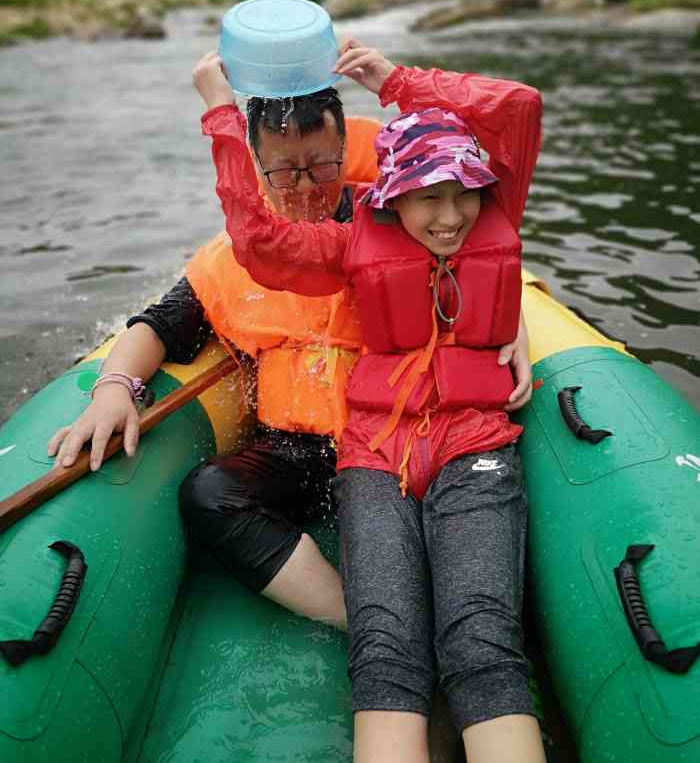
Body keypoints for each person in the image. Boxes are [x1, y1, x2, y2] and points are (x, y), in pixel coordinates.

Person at [47, 43, 534, 641]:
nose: (306, 187)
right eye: (284, 171)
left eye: (323, 166)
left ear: (343, 153)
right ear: (256, 162)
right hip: (301, 452)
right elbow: (159, 325)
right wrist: (114, 389)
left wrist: (517, 327)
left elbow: (479, 272)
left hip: (400, 436)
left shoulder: (395, 222)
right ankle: (363, 622)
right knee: (210, 493)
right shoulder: (234, 259)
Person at [194, 38, 545, 763]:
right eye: (428, 195)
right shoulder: (355, 242)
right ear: (392, 195)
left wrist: (398, 82)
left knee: (481, 640)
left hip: (473, 441)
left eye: (463, 193)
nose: (450, 217)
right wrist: (222, 114)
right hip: (375, 454)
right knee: (384, 647)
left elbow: (518, 109)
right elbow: (257, 240)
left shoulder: (498, 211)